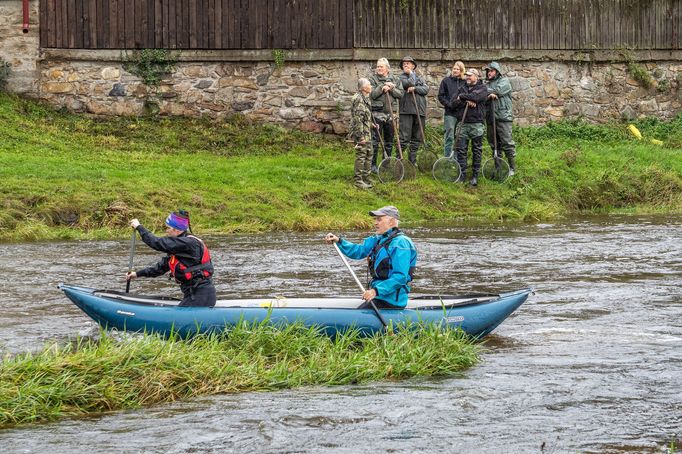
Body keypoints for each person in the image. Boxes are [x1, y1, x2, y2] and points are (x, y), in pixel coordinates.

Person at [324, 205, 417, 309]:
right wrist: (339, 241)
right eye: (375, 219)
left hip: (391, 301)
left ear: (391, 221)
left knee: (355, 322)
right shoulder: (377, 239)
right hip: (379, 297)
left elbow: (400, 277)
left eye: (379, 219)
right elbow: (358, 251)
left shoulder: (401, 243)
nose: (375, 223)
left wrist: (375, 291)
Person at [125, 210, 217, 307]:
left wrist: (139, 227)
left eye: (168, 228)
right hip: (192, 295)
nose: (166, 231)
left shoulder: (188, 243)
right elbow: (160, 268)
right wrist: (136, 274)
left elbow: (156, 243)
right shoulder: (179, 247)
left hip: (201, 296)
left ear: (177, 230)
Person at [452, 68, 488, 186]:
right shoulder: (461, 88)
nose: (467, 77)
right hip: (462, 123)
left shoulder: (482, 88)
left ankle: (475, 176)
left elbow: (477, 98)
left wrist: (462, 97)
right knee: (461, 150)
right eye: (466, 75)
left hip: (476, 124)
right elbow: (453, 103)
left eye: (470, 75)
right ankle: (462, 175)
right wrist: (466, 99)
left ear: (476, 76)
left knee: (476, 150)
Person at [368, 58, 404, 172]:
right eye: (377, 66)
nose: (378, 68)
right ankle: (372, 165)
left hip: (390, 116)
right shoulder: (372, 79)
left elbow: (401, 94)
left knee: (389, 141)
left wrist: (391, 88)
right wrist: (382, 87)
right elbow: (372, 95)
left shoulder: (395, 79)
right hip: (376, 114)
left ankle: (386, 164)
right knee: (375, 141)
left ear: (387, 68)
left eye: (381, 67)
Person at [485, 61, 517, 175]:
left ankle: (512, 168)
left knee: (507, 143)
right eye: (488, 71)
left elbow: (498, 90)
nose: (489, 73)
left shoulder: (504, 81)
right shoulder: (486, 84)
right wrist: (487, 93)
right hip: (490, 117)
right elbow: (482, 93)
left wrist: (488, 93)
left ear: (497, 72)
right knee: (494, 144)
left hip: (503, 117)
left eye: (491, 71)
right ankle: (498, 167)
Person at [398, 56, 429, 165]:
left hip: (420, 111)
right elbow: (408, 84)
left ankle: (412, 160)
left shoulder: (419, 78)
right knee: (404, 137)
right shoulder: (401, 78)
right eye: (404, 63)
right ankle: (399, 159)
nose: (405, 65)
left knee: (417, 137)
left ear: (413, 66)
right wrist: (411, 75)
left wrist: (415, 89)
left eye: (408, 63)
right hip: (407, 111)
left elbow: (426, 89)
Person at [437, 61, 467, 157]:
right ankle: (448, 158)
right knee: (449, 136)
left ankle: (458, 159)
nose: (455, 70)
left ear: (461, 71)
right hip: (450, 113)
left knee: (459, 137)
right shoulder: (446, 81)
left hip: (462, 113)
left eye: (457, 69)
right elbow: (441, 96)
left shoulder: (465, 82)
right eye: (454, 68)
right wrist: (449, 104)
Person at [349, 78, 374, 189]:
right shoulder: (359, 99)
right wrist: (360, 137)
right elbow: (358, 119)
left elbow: (364, 116)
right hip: (362, 133)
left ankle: (366, 178)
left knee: (369, 153)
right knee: (361, 155)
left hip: (367, 131)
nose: (371, 86)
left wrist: (371, 124)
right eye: (369, 85)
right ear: (364, 88)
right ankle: (358, 181)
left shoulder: (365, 98)